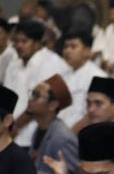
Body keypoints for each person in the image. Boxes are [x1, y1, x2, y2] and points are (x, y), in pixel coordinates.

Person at [3, 20, 69, 150]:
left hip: (35, 133)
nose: (19, 45)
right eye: (16, 41)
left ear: (37, 43)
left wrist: (14, 127)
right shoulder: (14, 64)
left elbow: (40, 103)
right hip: (9, 131)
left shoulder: (51, 63)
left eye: (24, 41)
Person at [29, 74, 81, 174]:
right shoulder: (38, 129)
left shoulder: (62, 138)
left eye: (37, 95)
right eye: (32, 93)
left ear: (52, 105)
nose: (30, 100)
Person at [59, 31, 105, 128]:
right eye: (65, 47)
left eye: (73, 47)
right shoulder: (63, 75)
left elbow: (95, 114)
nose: (67, 51)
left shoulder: (98, 77)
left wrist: (69, 135)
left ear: (87, 51)